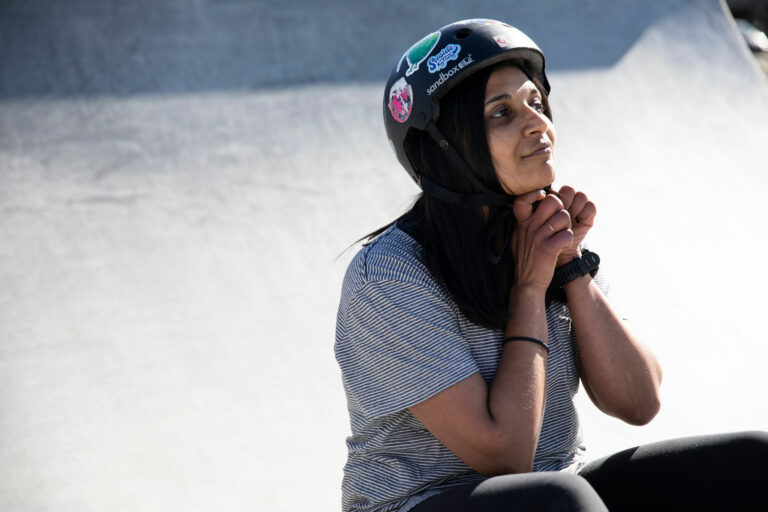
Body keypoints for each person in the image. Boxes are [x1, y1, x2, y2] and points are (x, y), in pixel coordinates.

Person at [334, 19, 768, 512]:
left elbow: (639, 401)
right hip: (416, 503)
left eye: (536, 104)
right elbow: (504, 454)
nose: (537, 123)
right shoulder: (390, 275)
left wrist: (570, 268)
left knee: (750, 462)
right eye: (501, 113)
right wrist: (529, 288)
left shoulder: (540, 232)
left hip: (558, 486)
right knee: (558, 500)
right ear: (443, 148)